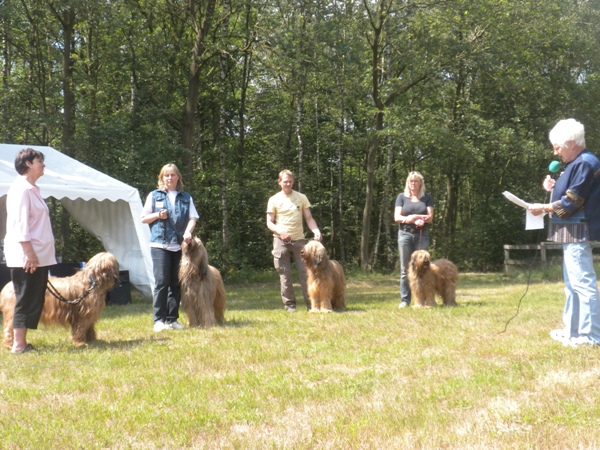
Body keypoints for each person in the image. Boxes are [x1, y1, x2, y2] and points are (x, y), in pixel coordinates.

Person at [530, 118, 600, 347]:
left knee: (583, 284)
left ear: (570, 143)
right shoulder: (576, 163)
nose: (555, 152)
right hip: (570, 231)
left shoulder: (585, 163)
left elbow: (572, 202)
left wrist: (543, 208)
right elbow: (567, 194)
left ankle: (592, 336)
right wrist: (552, 188)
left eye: (557, 147)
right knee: (572, 285)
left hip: (579, 230)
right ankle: (572, 331)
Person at [4, 148, 56, 354]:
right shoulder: (22, 190)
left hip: (37, 255)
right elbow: (20, 225)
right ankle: (18, 345)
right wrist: (29, 253)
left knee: (33, 298)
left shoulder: (33, 189)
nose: (43, 164)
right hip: (27, 256)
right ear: (27, 164)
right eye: (39, 161)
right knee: (25, 298)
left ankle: (21, 343)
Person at [141, 164, 198, 331]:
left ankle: (172, 319)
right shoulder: (154, 195)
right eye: (166, 175)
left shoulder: (186, 197)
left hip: (179, 246)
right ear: (161, 178)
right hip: (160, 244)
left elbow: (193, 218)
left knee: (176, 282)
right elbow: (143, 218)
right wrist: (157, 215)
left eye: (172, 175)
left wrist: (188, 232)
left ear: (178, 177)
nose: (169, 178)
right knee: (161, 282)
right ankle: (159, 320)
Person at [266, 169, 322, 312]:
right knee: (285, 275)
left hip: (299, 242)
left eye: (290, 181)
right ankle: (290, 306)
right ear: (279, 182)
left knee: (306, 273)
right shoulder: (274, 199)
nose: (288, 184)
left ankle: (312, 305)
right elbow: (269, 222)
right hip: (280, 241)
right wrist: (280, 232)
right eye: (285, 182)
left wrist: (316, 231)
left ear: (293, 182)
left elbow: (309, 218)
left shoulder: (301, 197)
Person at [394, 171, 434, 308]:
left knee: (424, 268)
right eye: (411, 181)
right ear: (408, 183)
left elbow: (430, 217)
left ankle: (425, 299)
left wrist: (420, 219)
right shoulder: (401, 197)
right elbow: (397, 217)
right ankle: (405, 300)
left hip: (421, 234)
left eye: (416, 181)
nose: (413, 183)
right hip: (405, 235)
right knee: (406, 269)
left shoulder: (427, 197)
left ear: (420, 183)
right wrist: (410, 219)